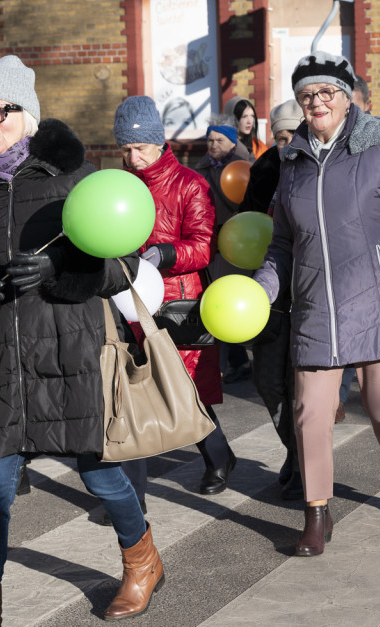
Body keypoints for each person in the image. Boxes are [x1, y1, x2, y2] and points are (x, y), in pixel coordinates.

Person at [0, 56, 163, 623]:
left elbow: (124, 265)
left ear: (29, 116)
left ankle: (142, 560)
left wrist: (58, 269)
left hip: (69, 352)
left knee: (100, 475)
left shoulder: (76, 178)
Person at [253, 51, 380, 556]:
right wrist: (263, 288)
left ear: (347, 98)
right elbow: (282, 244)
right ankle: (316, 514)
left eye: (327, 92)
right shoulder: (292, 163)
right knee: (309, 412)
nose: (317, 102)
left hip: (379, 302)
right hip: (315, 307)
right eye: (307, 95)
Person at [112, 95, 237, 498]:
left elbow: (204, 246)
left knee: (184, 388)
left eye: (139, 148)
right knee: (133, 391)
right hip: (128, 300)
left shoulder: (190, 184)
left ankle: (219, 456)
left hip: (176, 303)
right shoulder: (119, 185)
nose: (132, 158)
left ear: (158, 141)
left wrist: (166, 253)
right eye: (125, 149)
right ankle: (132, 495)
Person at [238, 97, 305, 500]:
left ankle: (303, 463)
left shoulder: (321, 170)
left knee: (300, 388)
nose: (286, 143)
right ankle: (294, 449)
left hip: (311, 293)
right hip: (270, 290)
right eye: (279, 137)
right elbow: (245, 226)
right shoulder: (264, 171)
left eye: (293, 134)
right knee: (267, 381)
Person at [195, 115, 253, 383]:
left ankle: (227, 364)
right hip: (212, 241)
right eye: (210, 140)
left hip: (239, 242)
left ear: (232, 141)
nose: (213, 144)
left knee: (227, 300)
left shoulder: (246, 165)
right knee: (217, 301)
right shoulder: (202, 167)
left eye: (219, 139)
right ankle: (237, 362)